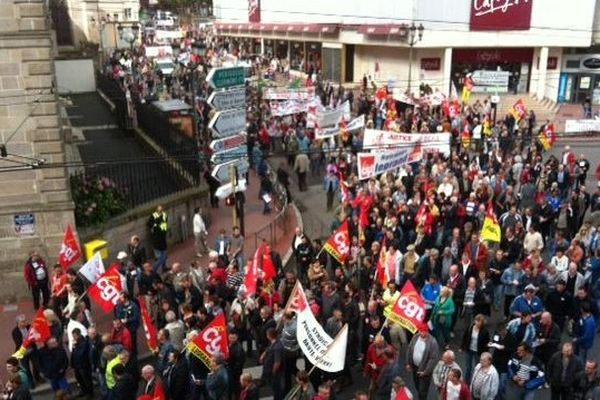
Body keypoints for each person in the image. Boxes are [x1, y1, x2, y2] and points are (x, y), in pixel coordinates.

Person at [406, 326, 440, 400]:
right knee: (417, 385)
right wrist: (408, 363)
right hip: (414, 367)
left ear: (427, 331)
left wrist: (426, 371)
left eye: (422, 331)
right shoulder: (415, 337)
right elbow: (409, 349)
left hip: (424, 370)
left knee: (423, 390)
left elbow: (433, 359)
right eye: (419, 331)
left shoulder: (432, 342)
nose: (420, 333)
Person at [460, 314, 490, 383]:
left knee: (478, 367)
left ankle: (476, 382)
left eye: (479, 322)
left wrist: (485, 354)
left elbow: (486, 343)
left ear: (482, 323)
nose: (477, 323)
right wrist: (462, 347)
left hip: (478, 351)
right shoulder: (470, 327)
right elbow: (465, 337)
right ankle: (466, 382)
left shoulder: (485, 331)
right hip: (469, 350)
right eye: (477, 321)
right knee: (468, 367)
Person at [260, 327, 284, 400]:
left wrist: (273, 372)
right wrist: (263, 354)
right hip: (270, 370)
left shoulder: (277, 347)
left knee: (276, 389)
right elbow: (268, 349)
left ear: (269, 335)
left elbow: (277, 362)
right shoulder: (274, 343)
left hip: (275, 373)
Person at [71, 328, 94, 399]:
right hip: (77, 365)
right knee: (79, 379)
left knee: (86, 379)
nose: (73, 337)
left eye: (74, 335)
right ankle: (84, 391)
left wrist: (75, 347)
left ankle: (90, 393)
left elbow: (81, 354)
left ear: (79, 334)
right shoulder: (76, 342)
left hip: (83, 365)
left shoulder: (84, 342)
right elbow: (73, 354)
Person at [147, 205, 168, 272]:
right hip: (156, 238)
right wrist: (156, 225)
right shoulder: (153, 216)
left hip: (163, 237)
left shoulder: (165, 215)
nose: (160, 211)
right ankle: (153, 269)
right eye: (159, 210)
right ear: (156, 210)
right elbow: (149, 224)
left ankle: (164, 267)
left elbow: (165, 224)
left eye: (161, 210)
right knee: (160, 257)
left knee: (164, 254)